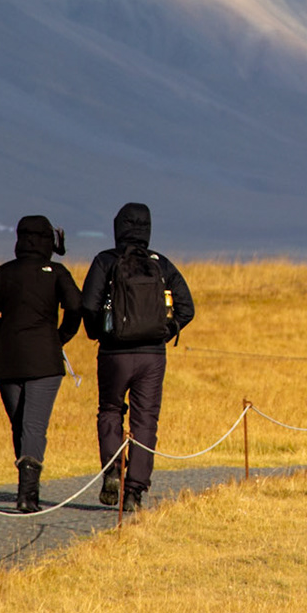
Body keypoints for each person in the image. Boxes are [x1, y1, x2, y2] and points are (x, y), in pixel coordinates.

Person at [78, 202, 194, 512]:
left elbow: (88, 305)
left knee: (110, 410)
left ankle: (112, 471)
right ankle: (135, 492)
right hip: (152, 356)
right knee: (146, 421)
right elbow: (187, 308)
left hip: (113, 353)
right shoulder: (161, 264)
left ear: (118, 227)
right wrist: (164, 332)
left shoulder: (105, 261)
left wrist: (99, 333)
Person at [0, 215, 83, 512]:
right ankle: (28, 495)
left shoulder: (1, 273)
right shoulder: (57, 272)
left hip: (7, 360)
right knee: (33, 425)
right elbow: (76, 306)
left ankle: (25, 487)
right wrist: (60, 337)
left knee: (20, 425)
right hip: (45, 360)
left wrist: (2, 342)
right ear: (49, 241)